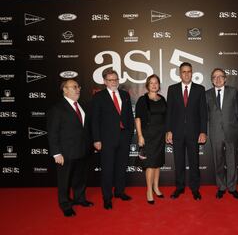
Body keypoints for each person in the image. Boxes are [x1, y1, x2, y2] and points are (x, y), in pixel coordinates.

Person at [47, 79, 93, 217]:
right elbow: (52, 132)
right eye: (73, 87)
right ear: (65, 90)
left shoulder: (82, 106)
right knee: (64, 180)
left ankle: (80, 198)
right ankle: (65, 204)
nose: (78, 89)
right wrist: (56, 153)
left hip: (83, 149)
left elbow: (84, 129)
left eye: (78, 86)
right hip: (66, 152)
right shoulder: (57, 109)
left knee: (80, 177)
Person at [92, 69, 134, 210]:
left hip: (124, 137)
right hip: (107, 139)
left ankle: (120, 192)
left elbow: (129, 116)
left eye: (116, 79)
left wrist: (129, 133)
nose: (114, 82)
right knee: (108, 169)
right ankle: (107, 197)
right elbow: (95, 120)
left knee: (121, 167)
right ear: (104, 82)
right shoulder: (99, 97)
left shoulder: (124, 94)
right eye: (110, 80)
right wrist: (97, 139)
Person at [166, 62, 207, 200]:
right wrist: (169, 130)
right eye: (183, 72)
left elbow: (203, 113)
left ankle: (195, 189)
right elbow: (169, 112)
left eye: (189, 71)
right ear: (180, 73)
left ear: (192, 72)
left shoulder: (200, 89)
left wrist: (203, 131)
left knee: (194, 162)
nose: (186, 74)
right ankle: (179, 187)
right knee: (179, 162)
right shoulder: (172, 89)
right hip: (176, 132)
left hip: (194, 132)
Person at [206, 68, 238, 199]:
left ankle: (232, 187)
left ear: (225, 78)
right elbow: (206, 115)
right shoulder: (207, 94)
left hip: (231, 132)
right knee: (218, 161)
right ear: (211, 80)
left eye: (220, 76)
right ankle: (221, 186)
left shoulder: (233, 92)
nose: (218, 79)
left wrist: (233, 127)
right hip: (215, 134)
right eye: (215, 77)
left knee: (232, 161)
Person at [135, 74, 166, 205]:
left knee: (157, 163)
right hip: (148, 135)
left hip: (160, 135)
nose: (154, 85)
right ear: (148, 85)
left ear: (159, 85)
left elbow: (166, 117)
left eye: (156, 83)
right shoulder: (142, 100)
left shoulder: (163, 99)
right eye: (151, 83)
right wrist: (140, 135)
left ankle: (156, 187)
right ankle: (149, 191)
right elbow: (138, 119)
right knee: (150, 164)